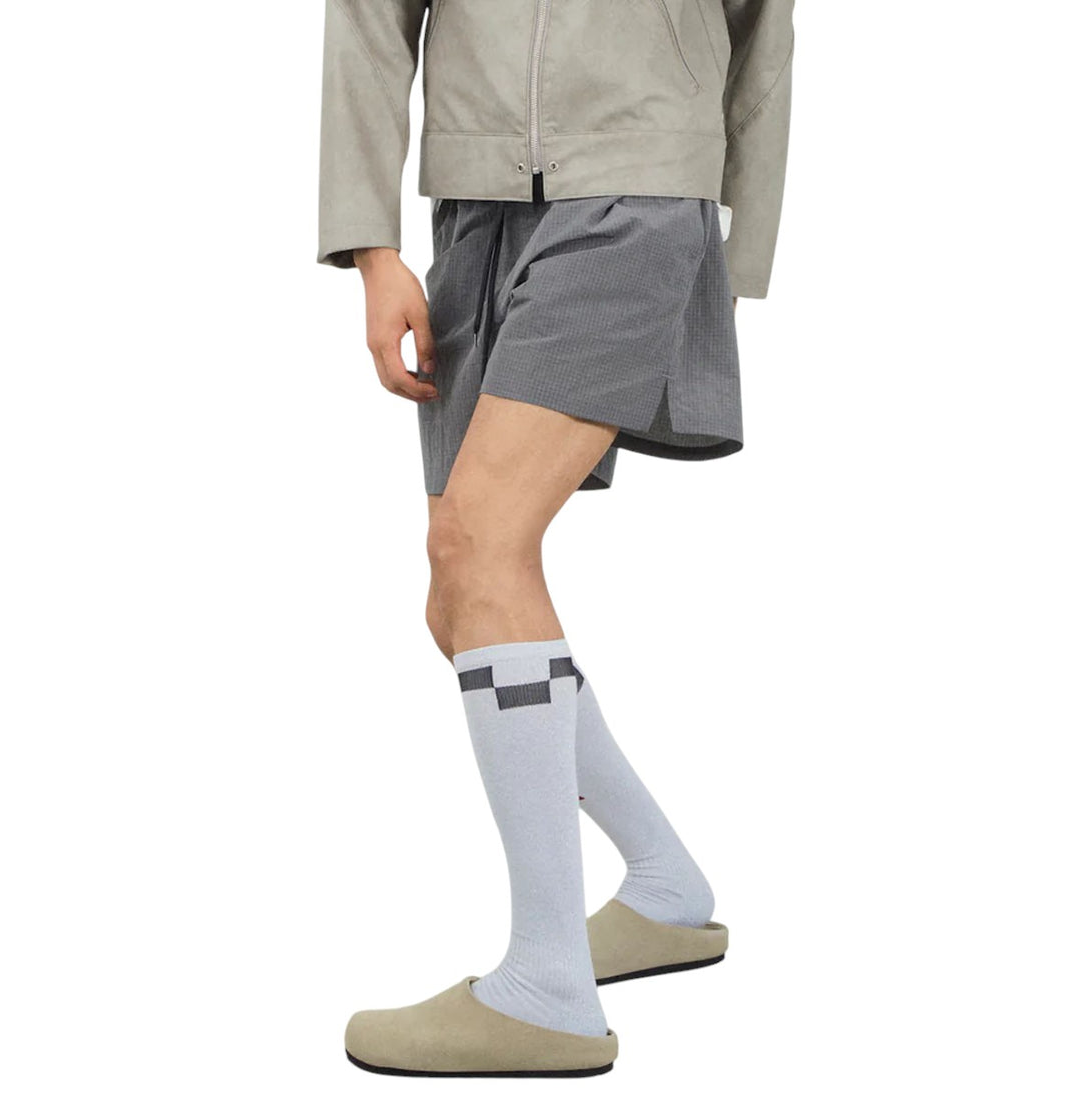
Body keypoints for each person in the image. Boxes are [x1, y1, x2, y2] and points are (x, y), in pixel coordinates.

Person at [318, 0, 795, 1078]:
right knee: (457, 594)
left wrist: (737, 254)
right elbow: (367, 16)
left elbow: (764, 28)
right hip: (476, 209)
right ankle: (665, 888)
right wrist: (370, 245)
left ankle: (547, 990)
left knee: (480, 550)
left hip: (639, 187)